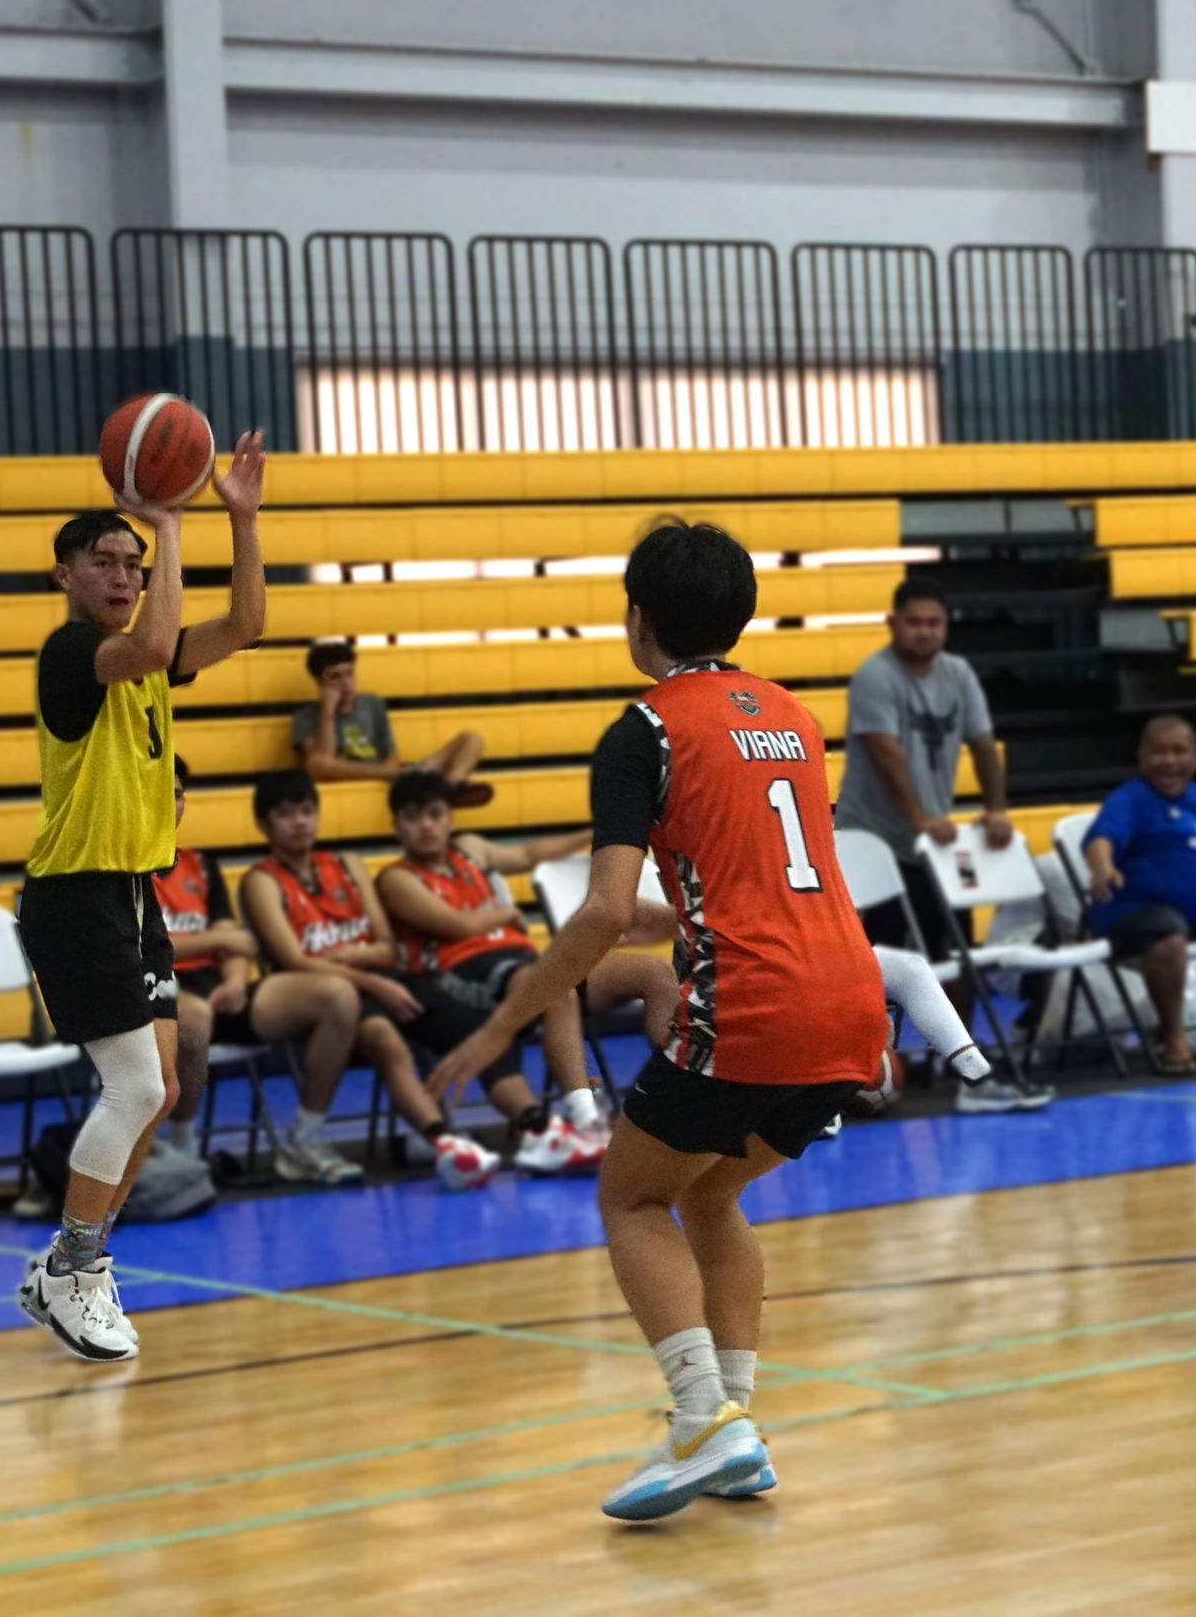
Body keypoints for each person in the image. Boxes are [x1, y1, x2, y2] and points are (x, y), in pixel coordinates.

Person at [425, 519, 889, 1523]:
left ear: (637, 617)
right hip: (849, 1001)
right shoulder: (792, 715)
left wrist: (500, 1023)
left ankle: (700, 1417)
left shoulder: (643, 728)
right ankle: (733, 1424)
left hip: (756, 1002)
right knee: (712, 1198)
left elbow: (599, 911)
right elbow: (744, 879)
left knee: (631, 1196)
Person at [15, 431, 266, 1364]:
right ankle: (73, 1268)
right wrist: (164, 520)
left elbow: (245, 627)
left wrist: (242, 520)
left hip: (132, 888)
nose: (123, 575)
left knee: (153, 1095)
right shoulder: (72, 654)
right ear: (64, 576)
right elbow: (157, 636)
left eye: (135, 563)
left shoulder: (145, 658)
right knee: (136, 1084)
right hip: (75, 894)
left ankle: (74, 1266)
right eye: (106, 561)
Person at [240, 770, 529, 1187]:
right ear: (264, 825)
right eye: (286, 815)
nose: (300, 822)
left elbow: (387, 944)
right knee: (386, 1040)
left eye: (307, 811)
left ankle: (532, 1123)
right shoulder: (261, 880)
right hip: (329, 998)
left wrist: (366, 957)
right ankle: (446, 1141)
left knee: (480, 1025)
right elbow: (292, 959)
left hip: (390, 980)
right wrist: (372, 979)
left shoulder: (348, 864)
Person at [378, 769, 676, 1163]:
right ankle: (586, 1119)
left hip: (525, 966)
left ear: (449, 817)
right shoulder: (396, 879)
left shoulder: (470, 849)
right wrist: (502, 913)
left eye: (434, 814)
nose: (426, 826)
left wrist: (602, 834)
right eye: (413, 818)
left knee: (657, 975)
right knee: (553, 986)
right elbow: (457, 925)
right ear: (397, 826)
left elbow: (529, 855)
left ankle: (674, 1104)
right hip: (464, 976)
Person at [833, 577, 1051, 1114]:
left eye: (934, 623)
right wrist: (920, 817)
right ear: (893, 623)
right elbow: (884, 752)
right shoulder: (875, 677)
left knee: (953, 957)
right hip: (871, 844)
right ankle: (858, 1075)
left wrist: (996, 808)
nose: (925, 632)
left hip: (927, 847)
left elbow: (982, 743)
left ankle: (963, 1077)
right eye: (915, 622)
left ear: (945, 628)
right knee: (871, 968)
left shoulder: (957, 674)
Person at [154, 753, 362, 1185]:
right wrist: (216, 942)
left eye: (175, 794)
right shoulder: (114, 865)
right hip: (152, 991)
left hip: (216, 990)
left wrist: (234, 979)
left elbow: (237, 940)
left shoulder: (201, 865)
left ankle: (305, 1139)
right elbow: (140, 947)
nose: (168, 802)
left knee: (336, 996)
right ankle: (182, 1145)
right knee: (193, 1021)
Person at [1083, 714, 1196, 1077]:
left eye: (1179, 751)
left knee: (1174, 926)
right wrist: (1102, 868)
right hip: (1131, 911)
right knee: (1167, 936)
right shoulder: (1129, 799)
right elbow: (1101, 839)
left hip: (1185, 912)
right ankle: (1173, 1039)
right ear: (1142, 756)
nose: (1170, 760)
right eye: (1159, 751)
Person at [293, 640, 493, 808]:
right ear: (319, 682)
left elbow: (391, 756)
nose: (346, 683)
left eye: (349, 674)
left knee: (471, 739)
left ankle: (451, 786)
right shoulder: (305, 717)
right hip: (356, 776)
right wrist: (328, 710)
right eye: (335, 677)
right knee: (317, 762)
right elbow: (321, 768)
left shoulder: (372, 704)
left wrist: (394, 773)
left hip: (392, 775)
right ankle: (429, 785)